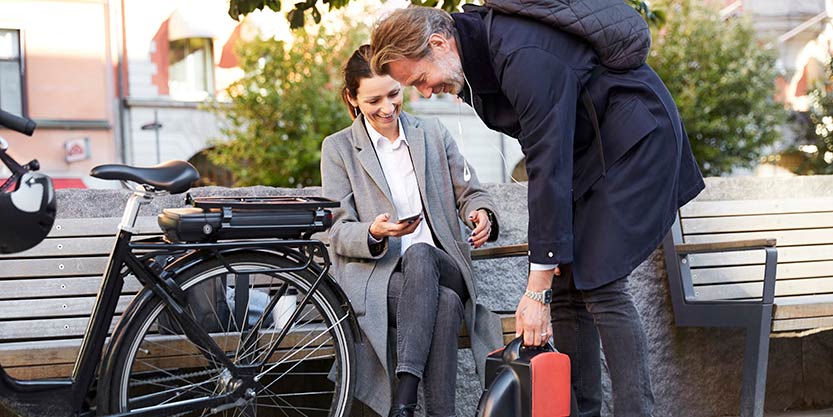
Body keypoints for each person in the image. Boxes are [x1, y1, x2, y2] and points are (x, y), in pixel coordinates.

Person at [370, 5, 706, 417]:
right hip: (589, 155)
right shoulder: (476, 62)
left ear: (438, 44)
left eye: (420, 79)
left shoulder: (521, 54)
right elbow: (541, 152)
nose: (425, 92)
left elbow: (548, 160)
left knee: (600, 284)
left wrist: (535, 285)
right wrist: (549, 263)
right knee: (566, 287)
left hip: (637, 141)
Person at [320, 45, 504, 417]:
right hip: (385, 278)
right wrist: (372, 232)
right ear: (351, 98)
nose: (387, 108)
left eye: (393, 94)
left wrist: (480, 213)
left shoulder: (431, 133)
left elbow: (472, 192)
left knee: (421, 253)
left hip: (444, 266)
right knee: (446, 304)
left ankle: (403, 400)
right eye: (373, 100)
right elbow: (336, 229)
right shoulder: (338, 148)